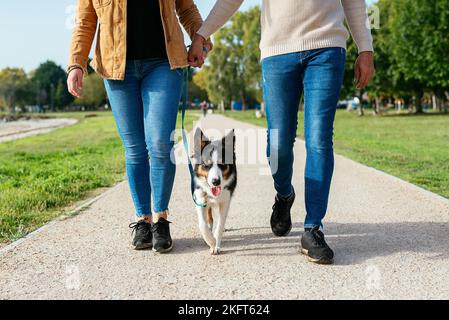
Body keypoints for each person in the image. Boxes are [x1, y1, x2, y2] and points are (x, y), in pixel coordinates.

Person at [189, 0, 375, 264]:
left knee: (319, 140)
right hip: (278, 51)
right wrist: (202, 33)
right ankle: (284, 195)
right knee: (278, 144)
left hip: (327, 46)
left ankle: (313, 229)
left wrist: (365, 48)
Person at [67, 0, 212, 253]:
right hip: (116, 68)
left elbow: (186, 8)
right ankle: (143, 220)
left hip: (164, 63)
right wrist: (76, 63)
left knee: (159, 143)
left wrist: (201, 40)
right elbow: (85, 21)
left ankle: (161, 218)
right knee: (134, 148)